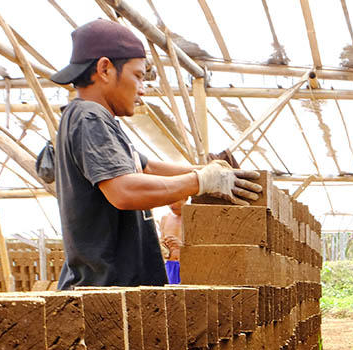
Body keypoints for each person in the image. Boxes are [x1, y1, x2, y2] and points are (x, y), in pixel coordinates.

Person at [50, 19, 260, 289]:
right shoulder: (89, 117)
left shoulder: (100, 121)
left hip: (117, 289)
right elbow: (124, 191)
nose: (142, 88)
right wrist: (201, 181)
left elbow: (146, 168)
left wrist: (217, 172)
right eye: (137, 75)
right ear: (104, 69)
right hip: (103, 291)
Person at [159, 199, 184, 283]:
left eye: (175, 200)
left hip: (186, 265)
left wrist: (182, 246)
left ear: (186, 198)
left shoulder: (193, 218)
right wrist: (163, 246)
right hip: (169, 266)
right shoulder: (165, 218)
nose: (172, 205)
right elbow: (162, 243)